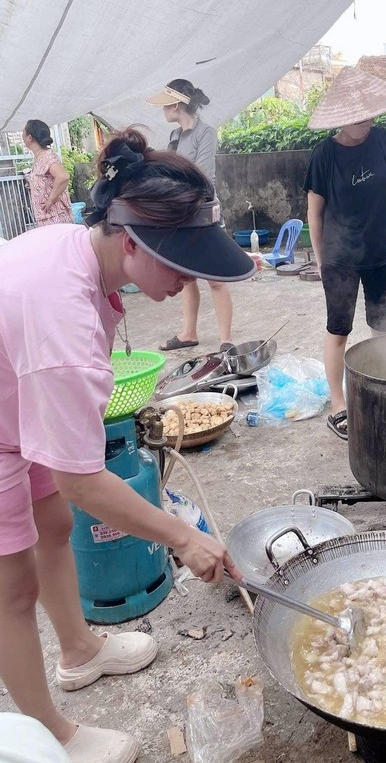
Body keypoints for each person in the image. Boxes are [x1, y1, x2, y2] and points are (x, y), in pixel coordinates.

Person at [0, 128, 253, 762]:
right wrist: (183, 536)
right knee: (11, 586)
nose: (189, 279)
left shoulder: (86, 250)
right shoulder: (63, 321)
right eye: (182, 263)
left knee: (53, 525)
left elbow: (66, 490)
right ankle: (50, 738)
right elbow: (82, 481)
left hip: (17, 393)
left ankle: (79, 650)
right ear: (132, 241)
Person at [305, 67, 386, 440]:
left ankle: (381, 390)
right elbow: (314, 212)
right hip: (339, 256)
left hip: (382, 250)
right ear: (339, 116)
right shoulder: (324, 155)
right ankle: (338, 404)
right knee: (339, 329)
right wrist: (319, 257)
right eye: (352, 114)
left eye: (366, 111)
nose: (361, 120)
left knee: (382, 326)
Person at [146, 79, 234, 352]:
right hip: (181, 214)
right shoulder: (175, 138)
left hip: (204, 212)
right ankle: (188, 333)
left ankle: (226, 341)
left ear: (176, 104)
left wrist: (172, 185)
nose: (163, 111)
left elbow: (204, 176)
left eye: (165, 105)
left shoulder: (205, 132)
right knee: (186, 278)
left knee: (216, 280)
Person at [23, 119, 73, 226]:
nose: (22, 137)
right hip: (47, 217)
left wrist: (51, 200)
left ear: (30, 137)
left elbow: (63, 176)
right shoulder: (40, 157)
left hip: (55, 216)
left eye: (24, 133)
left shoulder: (46, 156)